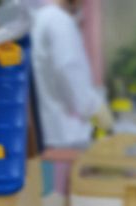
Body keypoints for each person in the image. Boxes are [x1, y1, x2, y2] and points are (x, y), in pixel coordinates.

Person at [29, 0, 112, 149]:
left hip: (52, 130)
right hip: (67, 133)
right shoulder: (58, 20)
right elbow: (69, 70)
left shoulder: (40, 18)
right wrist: (94, 107)